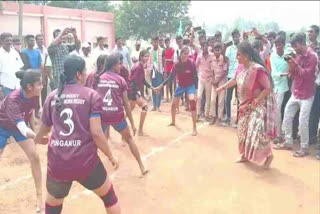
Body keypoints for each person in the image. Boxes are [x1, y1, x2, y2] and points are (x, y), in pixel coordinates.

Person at [35, 55, 121, 214]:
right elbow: (96, 132)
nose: (87, 73)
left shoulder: (52, 96)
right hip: (86, 162)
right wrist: (111, 156)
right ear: (78, 74)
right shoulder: (91, 95)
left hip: (58, 163)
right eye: (85, 70)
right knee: (109, 198)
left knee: (53, 206)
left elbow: (43, 130)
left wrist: (38, 139)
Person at [216, 41, 276, 169]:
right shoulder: (240, 67)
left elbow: (267, 88)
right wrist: (222, 87)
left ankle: (268, 155)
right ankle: (244, 155)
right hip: (244, 106)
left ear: (247, 56)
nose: (237, 57)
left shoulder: (257, 70)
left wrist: (256, 101)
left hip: (256, 106)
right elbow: (234, 80)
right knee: (242, 133)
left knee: (256, 133)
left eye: (239, 55)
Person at [89, 53, 148, 176]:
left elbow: (92, 98)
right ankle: (141, 166)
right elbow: (126, 104)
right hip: (116, 115)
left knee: (93, 143)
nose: (121, 66)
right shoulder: (120, 80)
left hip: (102, 116)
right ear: (114, 65)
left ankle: (91, 170)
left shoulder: (98, 77)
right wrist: (132, 123)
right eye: (119, 64)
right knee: (130, 139)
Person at [0, 70, 45, 212]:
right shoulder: (13, 99)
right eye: (40, 84)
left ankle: (39, 198)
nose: (42, 86)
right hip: (2, 126)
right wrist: (36, 137)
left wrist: (35, 131)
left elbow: (29, 114)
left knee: (35, 157)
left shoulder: (34, 95)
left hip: (19, 126)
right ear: (30, 86)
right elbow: (22, 128)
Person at [274, 33, 318, 157]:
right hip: (297, 91)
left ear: (303, 43)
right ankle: (288, 141)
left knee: (303, 121)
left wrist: (295, 63)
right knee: (287, 116)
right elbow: (292, 75)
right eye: (293, 46)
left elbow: (306, 75)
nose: (295, 49)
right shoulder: (297, 56)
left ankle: (304, 147)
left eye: (296, 46)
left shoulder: (312, 56)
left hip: (307, 94)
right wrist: (291, 65)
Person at [158, 46, 198, 136]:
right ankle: (173, 121)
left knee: (192, 102)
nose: (186, 56)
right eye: (184, 54)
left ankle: (194, 128)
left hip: (190, 85)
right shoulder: (176, 65)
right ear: (181, 54)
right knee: (173, 104)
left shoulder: (192, 63)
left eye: (187, 54)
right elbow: (170, 77)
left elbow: (195, 77)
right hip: (181, 86)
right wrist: (161, 85)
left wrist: (195, 90)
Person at [127, 50, 158, 136]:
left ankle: (120, 122)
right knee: (145, 106)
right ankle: (140, 130)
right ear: (141, 57)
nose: (147, 58)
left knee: (130, 109)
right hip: (132, 91)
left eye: (148, 56)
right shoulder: (138, 67)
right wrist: (136, 94)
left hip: (132, 91)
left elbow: (143, 80)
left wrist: (152, 88)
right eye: (145, 56)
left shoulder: (140, 66)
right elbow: (133, 81)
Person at [270, 35, 290, 143]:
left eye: (279, 44)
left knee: (283, 111)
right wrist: (286, 74)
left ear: (283, 44)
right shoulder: (273, 56)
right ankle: (277, 134)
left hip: (286, 86)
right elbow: (274, 73)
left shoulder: (288, 54)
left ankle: (282, 135)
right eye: (276, 44)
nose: (278, 46)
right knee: (276, 110)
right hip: (276, 85)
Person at [224, 29, 241, 127]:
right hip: (230, 76)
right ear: (232, 38)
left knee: (239, 99)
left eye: (237, 36)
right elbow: (226, 60)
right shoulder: (229, 49)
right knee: (228, 98)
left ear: (239, 36)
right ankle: (228, 118)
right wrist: (224, 48)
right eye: (234, 36)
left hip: (240, 77)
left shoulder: (243, 48)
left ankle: (238, 120)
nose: (236, 38)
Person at [307, 25, 320, 148]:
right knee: (312, 111)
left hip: (318, 82)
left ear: (316, 33)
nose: (309, 33)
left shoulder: (318, 47)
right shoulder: (305, 48)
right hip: (310, 83)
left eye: (311, 31)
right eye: (308, 32)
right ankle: (311, 136)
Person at [0, 33, 24, 97]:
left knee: (17, 106)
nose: (9, 42)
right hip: (5, 87)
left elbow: (20, 68)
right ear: (1, 41)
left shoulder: (15, 53)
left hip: (17, 86)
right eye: (7, 40)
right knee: (6, 106)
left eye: (11, 40)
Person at [210, 42, 228, 125]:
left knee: (221, 101)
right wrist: (214, 80)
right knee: (213, 100)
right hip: (214, 83)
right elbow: (212, 71)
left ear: (221, 50)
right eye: (215, 50)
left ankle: (220, 117)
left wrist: (218, 81)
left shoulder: (224, 59)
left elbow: (225, 72)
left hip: (222, 83)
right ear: (213, 50)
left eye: (218, 50)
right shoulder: (212, 59)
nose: (217, 51)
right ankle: (213, 116)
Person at [196, 41, 214, 121]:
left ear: (208, 46)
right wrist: (199, 73)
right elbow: (196, 65)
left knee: (208, 97)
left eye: (206, 46)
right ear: (201, 47)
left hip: (209, 79)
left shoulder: (212, 56)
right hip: (201, 78)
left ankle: (206, 114)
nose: (204, 48)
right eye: (203, 46)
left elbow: (214, 67)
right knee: (199, 96)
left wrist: (213, 77)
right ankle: (197, 113)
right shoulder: (199, 56)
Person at [148, 37, 164, 111]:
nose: (155, 43)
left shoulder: (162, 50)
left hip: (159, 71)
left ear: (158, 42)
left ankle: (158, 105)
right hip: (152, 71)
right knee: (153, 88)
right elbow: (149, 62)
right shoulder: (150, 51)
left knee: (159, 88)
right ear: (152, 42)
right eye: (154, 42)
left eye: (156, 42)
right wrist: (149, 72)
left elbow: (164, 62)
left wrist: (165, 72)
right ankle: (154, 105)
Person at [36, 34, 50, 106]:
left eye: (42, 39)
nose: (41, 41)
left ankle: (44, 107)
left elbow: (47, 62)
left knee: (44, 91)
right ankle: (37, 109)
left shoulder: (46, 49)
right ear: (36, 41)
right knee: (37, 92)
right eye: (39, 39)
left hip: (45, 72)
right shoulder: (35, 50)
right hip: (37, 73)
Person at [163, 38, 175, 102]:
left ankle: (171, 96)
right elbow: (164, 60)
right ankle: (167, 97)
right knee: (167, 83)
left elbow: (172, 60)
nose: (167, 44)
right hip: (166, 69)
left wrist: (166, 60)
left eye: (168, 42)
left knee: (171, 84)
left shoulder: (172, 50)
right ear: (165, 43)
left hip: (172, 68)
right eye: (166, 43)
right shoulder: (164, 51)